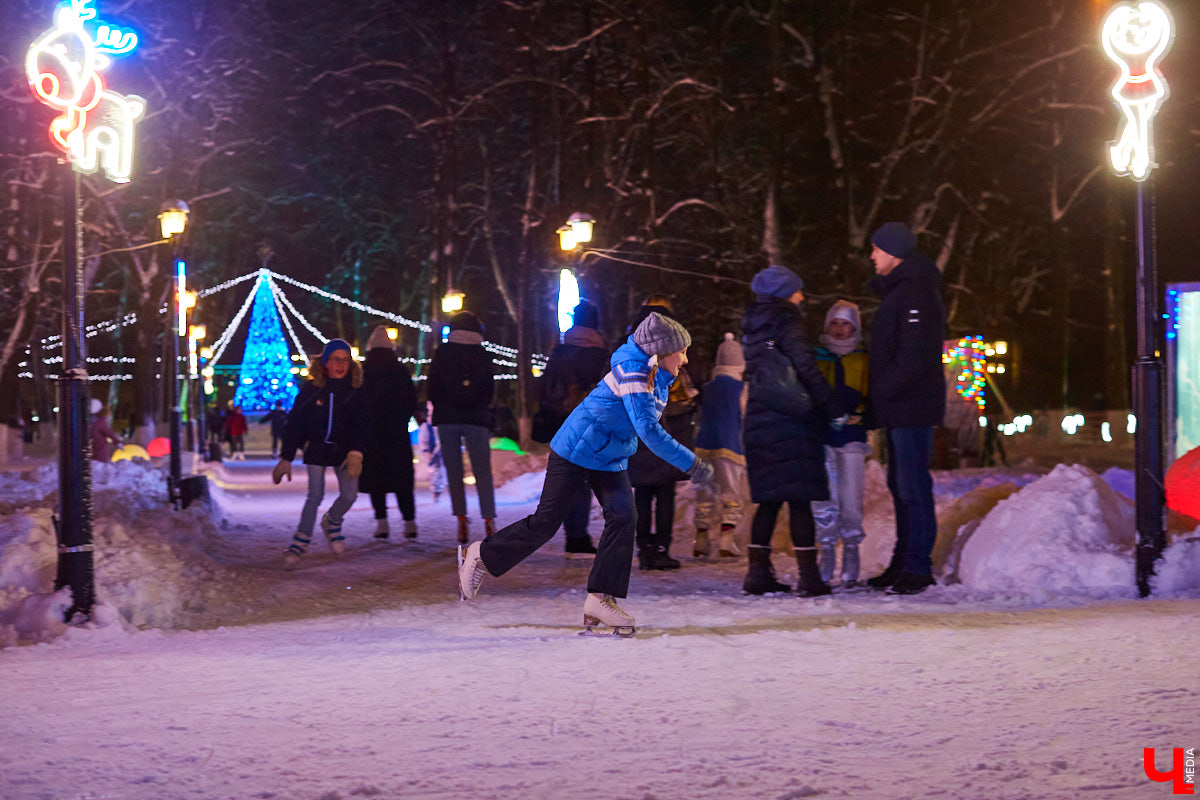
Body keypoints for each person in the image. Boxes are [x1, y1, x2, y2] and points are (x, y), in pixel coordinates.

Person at [456, 312, 715, 635]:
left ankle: (600, 599)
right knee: (545, 523)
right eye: (681, 351)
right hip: (576, 450)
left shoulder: (655, 375)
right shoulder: (633, 374)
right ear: (661, 351)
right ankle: (479, 554)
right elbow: (649, 430)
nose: (686, 358)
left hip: (609, 456)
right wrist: (691, 464)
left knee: (623, 517)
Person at [741, 265, 843, 597]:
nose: (802, 296)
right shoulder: (789, 321)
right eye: (798, 290)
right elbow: (805, 367)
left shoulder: (752, 324)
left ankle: (757, 574)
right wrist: (831, 405)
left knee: (769, 501)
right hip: (791, 419)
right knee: (799, 499)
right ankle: (809, 577)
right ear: (786, 292)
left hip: (760, 416)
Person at [863, 222, 947, 596]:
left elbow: (914, 355)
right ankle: (904, 561)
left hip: (911, 406)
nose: (872, 256)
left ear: (894, 251)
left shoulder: (916, 292)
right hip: (900, 406)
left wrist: (882, 390)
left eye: (877, 249)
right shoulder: (903, 290)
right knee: (901, 487)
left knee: (913, 487)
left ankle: (918, 566)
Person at [272, 339, 369, 568]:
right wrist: (286, 457)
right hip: (316, 447)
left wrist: (357, 452)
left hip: (344, 450)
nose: (341, 364)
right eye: (336, 359)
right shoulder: (313, 388)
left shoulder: (356, 390)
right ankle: (300, 541)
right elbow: (295, 422)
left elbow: (364, 423)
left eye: (345, 360)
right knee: (314, 496)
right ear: (326, 362)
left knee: (350, 494)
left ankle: (333, 522)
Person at [625, 296, 697, 571]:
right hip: (669, 428)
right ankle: (662, 550)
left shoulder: (629, 346)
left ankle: (644, 550)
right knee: (665, 493)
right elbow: (689, 384)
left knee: (642, 493)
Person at [534, 299, 609, 558]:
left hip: (558, 420)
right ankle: (578, 535)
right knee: (584, 479)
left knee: (567, 477)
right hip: (589, 421)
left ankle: (572, 534)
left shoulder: (559, 350)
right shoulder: (599, 353)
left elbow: (544, 386)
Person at [812, 301, 870, 587]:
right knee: (823, 498)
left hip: (852, 438)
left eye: (845, 323)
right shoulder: (816, 357)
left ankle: (851, 549)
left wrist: (862, 414)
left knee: (850, 496)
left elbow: (873, 394)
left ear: (855, 327)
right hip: (821, 436)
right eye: (834, 322)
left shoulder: (863, 358)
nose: (839, 328)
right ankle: (826, 550)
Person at [427, 310, 496, 543]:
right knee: (482, 471)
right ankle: (489, 520)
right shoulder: (483, 354)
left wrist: (441, 405)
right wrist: (481, 405)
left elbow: (432, 385)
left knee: (454, 471)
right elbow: (490, 388)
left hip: (448, 419)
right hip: (477, 419)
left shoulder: (442, 352)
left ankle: (461, 520)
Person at [359, 325, 419, 540]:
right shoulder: (400, 370)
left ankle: (382, 523)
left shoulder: (364, 371)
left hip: (372, 434)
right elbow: (412, 400)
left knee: (376, 480)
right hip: (397, 434)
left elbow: (358, 401)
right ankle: (410, 522)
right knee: (402, 479)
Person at [692, 333, 747, 559]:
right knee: (731, 493)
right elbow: (745, 414)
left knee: (704, 493)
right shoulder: (742, 388)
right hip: (731, 447)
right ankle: (726, 540)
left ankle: (702, 539)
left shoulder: (708, 387)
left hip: (703, 446)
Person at [417, 400, 446, 507]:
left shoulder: (441, 425)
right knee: (436, 470)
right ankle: (436, 492)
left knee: (442, 471)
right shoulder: (426, 427)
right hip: (434, 454)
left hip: (442, 451)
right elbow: (424, 440)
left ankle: (441, 490)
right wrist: (426, 451)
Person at [89, 398, 122, 463]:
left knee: (99, 466)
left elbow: (109, 432)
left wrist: (117, 442)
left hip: (99, 450)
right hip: (92, 449)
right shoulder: (90, 420)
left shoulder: (100, 421)